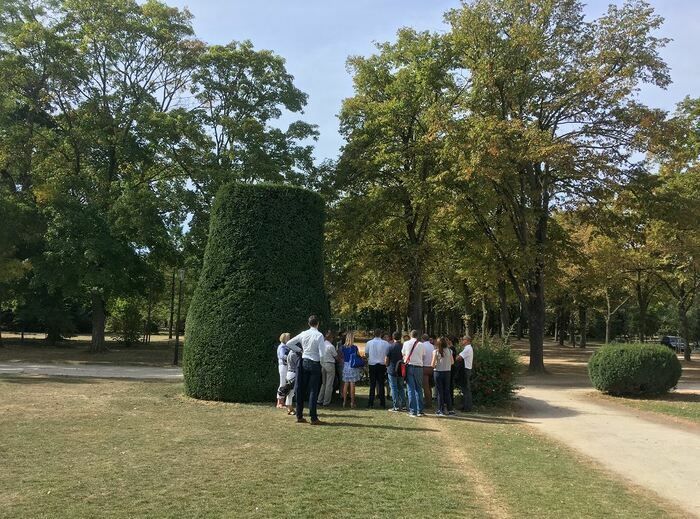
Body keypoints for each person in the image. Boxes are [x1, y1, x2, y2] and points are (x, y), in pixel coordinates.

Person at [287, 315, 325, 425]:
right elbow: (322, 354)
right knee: (313, 390)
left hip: (304, 361)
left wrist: (300, 350)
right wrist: (321, 365)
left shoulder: (304, 333)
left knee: (300, 389)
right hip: (314, 362)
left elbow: (289, 343)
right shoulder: (319, 335)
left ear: (309, 324)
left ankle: (299, 415)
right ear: (318, 323)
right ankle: (313, 418)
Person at [365, 328, 390, 408]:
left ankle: (370, 403)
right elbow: (388, 354)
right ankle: (382, 403)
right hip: (382, 365)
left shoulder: (369, 343)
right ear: (380, 334)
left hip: (372, 364)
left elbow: (366, 354)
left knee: (372, 385)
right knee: (381, 384)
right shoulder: (385, 343)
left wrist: (370, 358)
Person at [402, 330, 425, 417]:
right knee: (419, 388)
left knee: (411, 388)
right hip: (419, 367)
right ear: (417, 336)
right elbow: (423, 355)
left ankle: (413, 410)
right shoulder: (421, 344)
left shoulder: (406, 343)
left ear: (410, 335)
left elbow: (403, 354)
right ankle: (420, 410)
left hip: (409, 366)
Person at [431, 337, 455, 416]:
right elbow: (452, 362)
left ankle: (441, 410)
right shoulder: (449, 351)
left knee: (439, 392)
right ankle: (450, 409)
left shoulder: (436, 351)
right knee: (447, 391)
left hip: (438, 372)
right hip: (447, 372)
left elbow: (432, 364)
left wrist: (437, 364)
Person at [278, 344, 302, 414]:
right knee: (291, 393)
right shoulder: (294, 354)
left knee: (290, 392)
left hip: (289, 373)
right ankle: (290, 408)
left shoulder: (290, 353)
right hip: (293, 373)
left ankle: (289, 408)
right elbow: (298, 364)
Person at [385, 331, 407, 411]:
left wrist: (387, 366)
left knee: (393, 387)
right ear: (400, 337)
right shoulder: (403, 346)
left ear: (393, 337)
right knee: (401, 387)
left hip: (392, 369)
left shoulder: (390, 347)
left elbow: (386, 359)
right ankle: (404, 405)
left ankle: (396, 406)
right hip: (401, 369)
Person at [341, 331, 361, 408]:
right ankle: (352, 402)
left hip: (346, 366)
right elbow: (358, 356)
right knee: (352, 385)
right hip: (352, 366)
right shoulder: (355, 347)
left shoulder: (343, 347)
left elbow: (341, 356)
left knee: (345, 384)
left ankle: (344, 401)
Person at [318, 330, 337, 407]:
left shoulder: (321, 345)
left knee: (324, 383)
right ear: (331, 338)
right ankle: (326, 402)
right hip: (330, 364)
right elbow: (336, 356)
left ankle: (319, 400)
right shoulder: (331, 346)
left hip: (322, 364)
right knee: (329, 384)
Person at [456, 336, 474, 412]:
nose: (461, 341)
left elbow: (458, 358)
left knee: (466, 389)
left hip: (465, 370)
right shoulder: (468, 348)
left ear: (467, 341)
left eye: (463, 339)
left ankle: (467, 407)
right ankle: (465, 405)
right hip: (466, 369)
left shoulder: (467, 349)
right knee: (464, 389)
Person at [276, 333, 291, 408]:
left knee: (285, 384)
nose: (289, 339)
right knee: (282, 384)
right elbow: (282, 356)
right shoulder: (282, 347)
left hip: (285, 366)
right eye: (288, 338)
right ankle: (279, 402)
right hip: (283, 366)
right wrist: (289, 357)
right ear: (284, 339)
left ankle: (282, 401)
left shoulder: (285, 346)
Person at [421, 334, 434, 408]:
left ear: (422, 339)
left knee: (425, 386)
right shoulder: (432, 346)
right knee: (429, 386)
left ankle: (428, 403)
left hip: (425, 367)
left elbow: (422, 356)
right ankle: (430, 401)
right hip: (431, 367)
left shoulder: (422, 345)